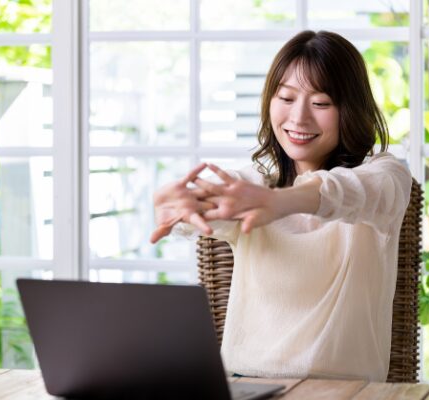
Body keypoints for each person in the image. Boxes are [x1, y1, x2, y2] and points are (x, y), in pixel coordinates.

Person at [150, 30, 412, 382]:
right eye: (286, 98)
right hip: (243, 383)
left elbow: (346, 192)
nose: (299, 118)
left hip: (343, 389)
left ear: (350, 109)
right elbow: (204, 206)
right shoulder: (252, 186)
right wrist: (178, 205)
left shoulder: (384, 176)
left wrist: (278, 203)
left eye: (321, 103)